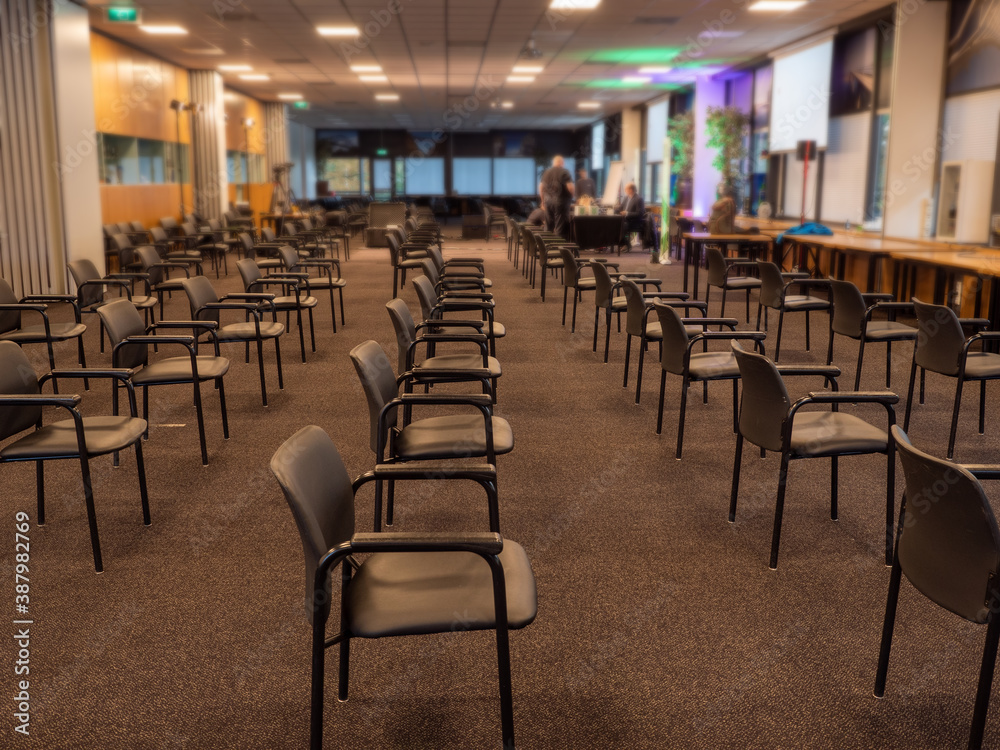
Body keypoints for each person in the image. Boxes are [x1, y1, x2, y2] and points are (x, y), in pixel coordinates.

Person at [539, 155, 574, 240]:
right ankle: (558, 250)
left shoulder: (546, 172)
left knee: (548, 226)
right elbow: (570, 187)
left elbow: (541, 187)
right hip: (561, 202)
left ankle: (547, 248)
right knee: (560, 227)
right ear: (561, 162)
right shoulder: (564, 172)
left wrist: (542, 201)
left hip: (548, 202)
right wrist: (572, 197)